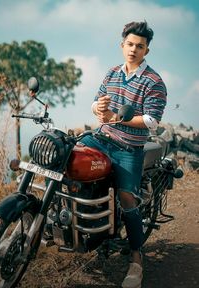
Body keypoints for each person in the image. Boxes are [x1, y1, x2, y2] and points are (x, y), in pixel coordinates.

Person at [81, 21, 167, 288]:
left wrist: (117, 118)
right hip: (101, 139)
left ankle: (136, 257)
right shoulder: (111, 73)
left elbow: (152, 120)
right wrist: (99, 108)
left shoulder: (154, 82)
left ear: (146, 51)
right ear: (122, 45)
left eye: (139, 46)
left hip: (129, 148)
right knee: (66, 160)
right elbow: (96, 102)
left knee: (128, 198)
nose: (133, 49)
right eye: (130, 44)